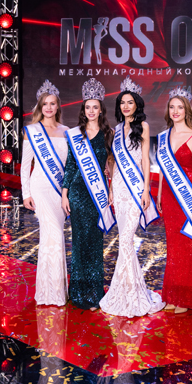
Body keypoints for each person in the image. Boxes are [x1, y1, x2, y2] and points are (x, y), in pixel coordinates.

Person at [100, 76, 165, 318]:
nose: (126, 106)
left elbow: (146, 160)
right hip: (118, 187)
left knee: (127, 239)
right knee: (123, 240)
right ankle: (127, 291)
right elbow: (113, 163)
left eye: (130, 102)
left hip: (136, 187)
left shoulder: (144, 127)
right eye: (122, 103)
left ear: (137, 104)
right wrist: (110, 189)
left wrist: (146, 189)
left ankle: (130, 293)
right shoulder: (116, 131)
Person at [156, 88, 192, 314]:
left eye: (180, 107)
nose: (175, 111)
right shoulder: (164, 136)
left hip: (187, 195)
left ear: (187, 110)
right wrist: (159, 193)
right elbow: (162, 168)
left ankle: (186, 298)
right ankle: (172, 296)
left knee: (187, 244)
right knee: (172, 247)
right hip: (169, 196)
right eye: (172, 107)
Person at [62, 78, 114, 310]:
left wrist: (111, 189)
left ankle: (94, 294)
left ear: (101, 109)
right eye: (87, 107)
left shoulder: (108, 133)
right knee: (79, 243)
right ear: (83, 110)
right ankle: (78, 294)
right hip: (77, 193)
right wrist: (64, 194)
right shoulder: (75, 134)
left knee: (95, 242)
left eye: (95, 107)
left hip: (97, 194)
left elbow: (111, 163)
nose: (91, 111)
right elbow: (70, 166)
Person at [21, 79, 69, 306]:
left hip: (60, 191)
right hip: (40, 188)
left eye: (52, 103)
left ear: (58, 106)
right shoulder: (32, 131)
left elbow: (70, 166)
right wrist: (25, 194)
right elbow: (25, 166)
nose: (48, 107)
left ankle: (55, 290)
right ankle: (49, 292)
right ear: (40, 107)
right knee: (53, 235)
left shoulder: (67, 131)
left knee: (54, 237)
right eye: (45, 104)